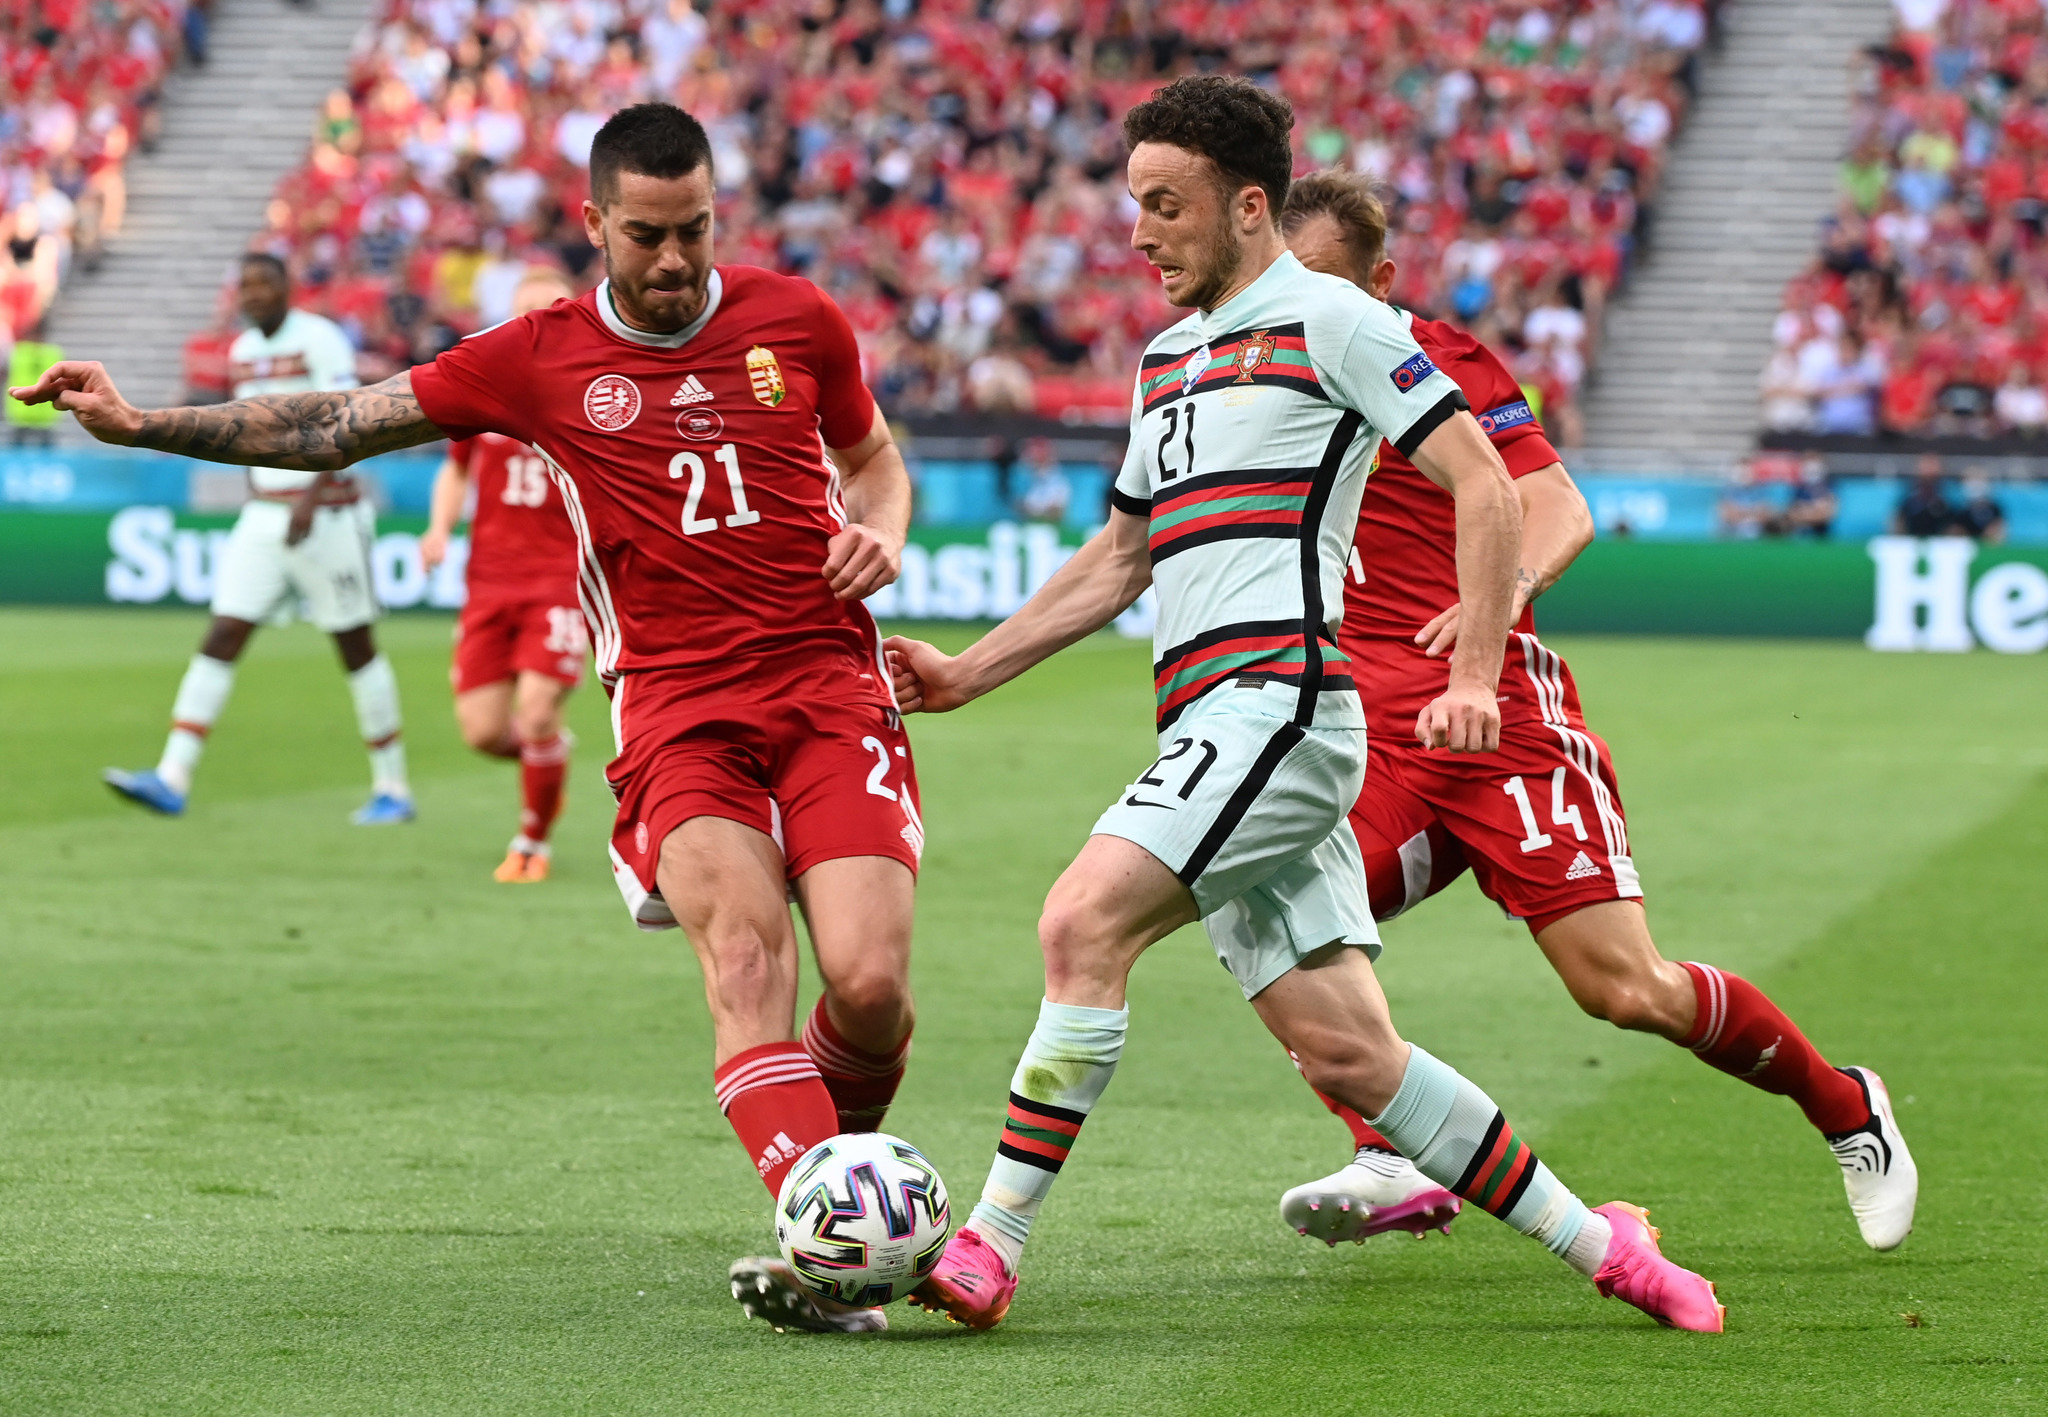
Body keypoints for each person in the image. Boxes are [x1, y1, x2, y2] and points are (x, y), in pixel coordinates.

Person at [16, 104, 922, 1337]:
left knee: (869, 990)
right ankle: (831, 1243)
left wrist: (885, 527)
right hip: (676, 709)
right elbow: (335, 421)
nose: (672, 261)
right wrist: (145, 424)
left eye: (695, 232)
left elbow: (870, 456)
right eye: (646, 235)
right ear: (594, 222)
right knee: (748, 962)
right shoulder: (535, 353)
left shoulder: (798, 318)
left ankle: (838, 1212)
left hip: (828, 686)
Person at [888, 77, 1724, 1335]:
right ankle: (1608, 1246)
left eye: (1164, 207)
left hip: (1278, 706)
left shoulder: (1331, 319)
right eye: (1132, 207)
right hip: (1208, 722)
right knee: (1352, 1058)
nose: (1138, 235)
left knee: (1081, 923)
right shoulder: (1166, 356)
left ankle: (988, 1247)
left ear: (1247, 205)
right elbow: (1117, 560)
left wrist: (1473, 675)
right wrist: (965, 672)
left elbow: (1485, 485)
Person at [1269, 169, 1916, 1255]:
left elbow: (1554, 502)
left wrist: (1499, 603)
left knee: (1623, 990)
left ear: (1377, 280)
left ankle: (1844, 1107)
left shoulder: (1435, 360)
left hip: (1495, 718)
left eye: (1324, 282)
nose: (1303, 306)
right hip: (1365, 735)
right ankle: (1389, 1151)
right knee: (1276, 926)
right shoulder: (1256, 366)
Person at [99, 252, 414, 824]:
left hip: (327, 514)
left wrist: (314, 498)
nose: (252, 294)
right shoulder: (242, 352)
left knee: (355, 646)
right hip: (265, 514)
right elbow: (250, 431)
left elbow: (350, 422)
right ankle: (173, 775)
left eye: (263, 283)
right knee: (223, 633)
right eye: (244, 286)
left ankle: (393, 786)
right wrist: (256, 493)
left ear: (287, 287)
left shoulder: (321, 339)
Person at [419, 267, 586, 884]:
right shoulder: (486, 390)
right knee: (485, 732)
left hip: (561, 580)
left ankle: (531, 842)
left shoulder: (593, 392)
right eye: (523, 312)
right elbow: (456, 469)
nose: (533, 323)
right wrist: (439, 529)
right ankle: (550, 765)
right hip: (489, 581)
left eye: (547, 309)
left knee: (538, 711)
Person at [6, 320, 63, 446]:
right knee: (46, 454)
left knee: (15, 453)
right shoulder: (52, 354)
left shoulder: (19, 352)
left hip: (26, 411)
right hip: (37, 412)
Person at [1893, 455, 1954, 536]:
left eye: (1933, 464)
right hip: (1911, 538)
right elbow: (1899, 519)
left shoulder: (1948, 495)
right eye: (1927, 465)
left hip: (1940, 541)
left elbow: (1953, 523)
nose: (1930, 470)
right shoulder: (1908, 494)